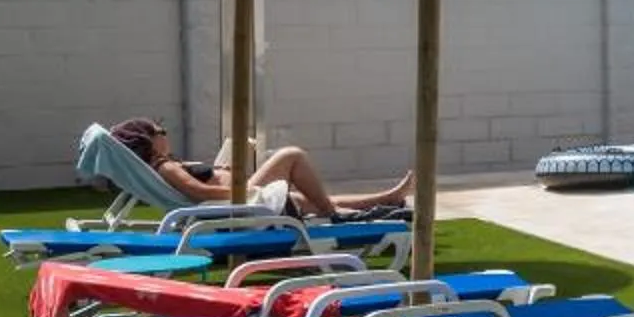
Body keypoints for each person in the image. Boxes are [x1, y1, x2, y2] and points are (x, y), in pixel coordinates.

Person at [108, 117, 411, 220]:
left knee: (312, 200)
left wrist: (221, 169)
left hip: (239, 201)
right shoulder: (165, 167)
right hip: (240, 206)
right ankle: (335, 217)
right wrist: (243, 190)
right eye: (160, 131)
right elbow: (198, 192)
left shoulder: (166, 165)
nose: (166, 134)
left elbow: (200, 185)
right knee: (291, 155)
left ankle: (388, 200)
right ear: (149, 140)